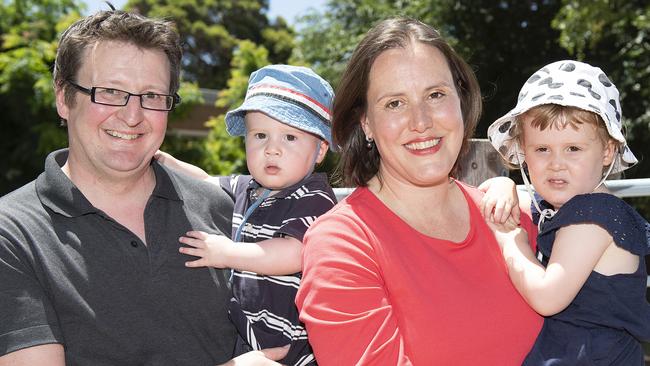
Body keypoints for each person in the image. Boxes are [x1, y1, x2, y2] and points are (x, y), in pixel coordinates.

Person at [0, 10, 285, 366]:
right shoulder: (11, 234)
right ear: (64, 97)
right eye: (109, 92)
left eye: (152, 96)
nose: (132, 115)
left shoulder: (221, 208)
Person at [294, 17, 543, 365]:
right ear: (365, 122)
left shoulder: (506, 216)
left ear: (461, 99)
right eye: (395, 103)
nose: (421, 121)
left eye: (436, 94)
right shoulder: (341, 245)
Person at [157, 64, 336, 366]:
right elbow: (203, 182)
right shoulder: (246, 188)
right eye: (260, 135)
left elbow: (295, 253)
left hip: (292, 347)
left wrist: (226, 252)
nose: (272, 149)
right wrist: (164, 160)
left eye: (290, 138)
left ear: (319, 150)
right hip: (245, 336)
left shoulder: (314, 197)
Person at [487, 60, 650, 365]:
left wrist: (511, 240)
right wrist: (501, 184)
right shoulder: (565, 205)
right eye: (542, 149)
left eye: (573, 149)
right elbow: (524, 200)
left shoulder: (593, 216)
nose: (556, 163)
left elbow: (548, 297)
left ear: (607, 151)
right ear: (523, 150)